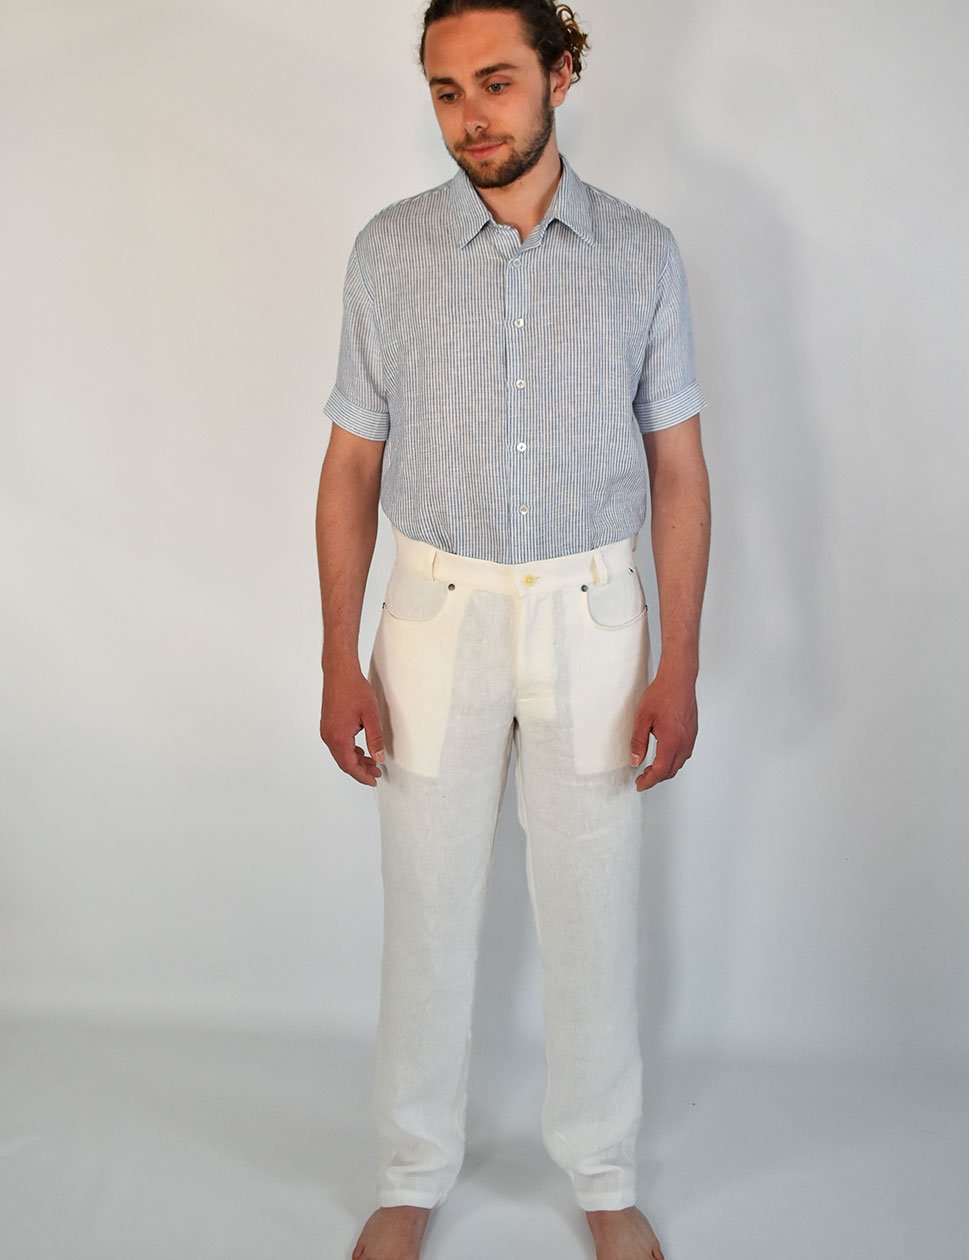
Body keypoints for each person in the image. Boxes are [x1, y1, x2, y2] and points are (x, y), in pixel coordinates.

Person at [315, 3, 710, 1257]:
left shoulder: (640, 255)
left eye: (494, 82)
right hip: (433, 614)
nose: (469, 117)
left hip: (594, 614)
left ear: (562, 73)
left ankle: (603, 1175)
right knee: (425, 901)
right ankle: (409, 1170)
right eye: (445, 91)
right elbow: (349, 468)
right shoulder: (389, 253)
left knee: (593, 905)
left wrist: (679, 663)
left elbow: (679, 473)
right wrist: (337, 658)